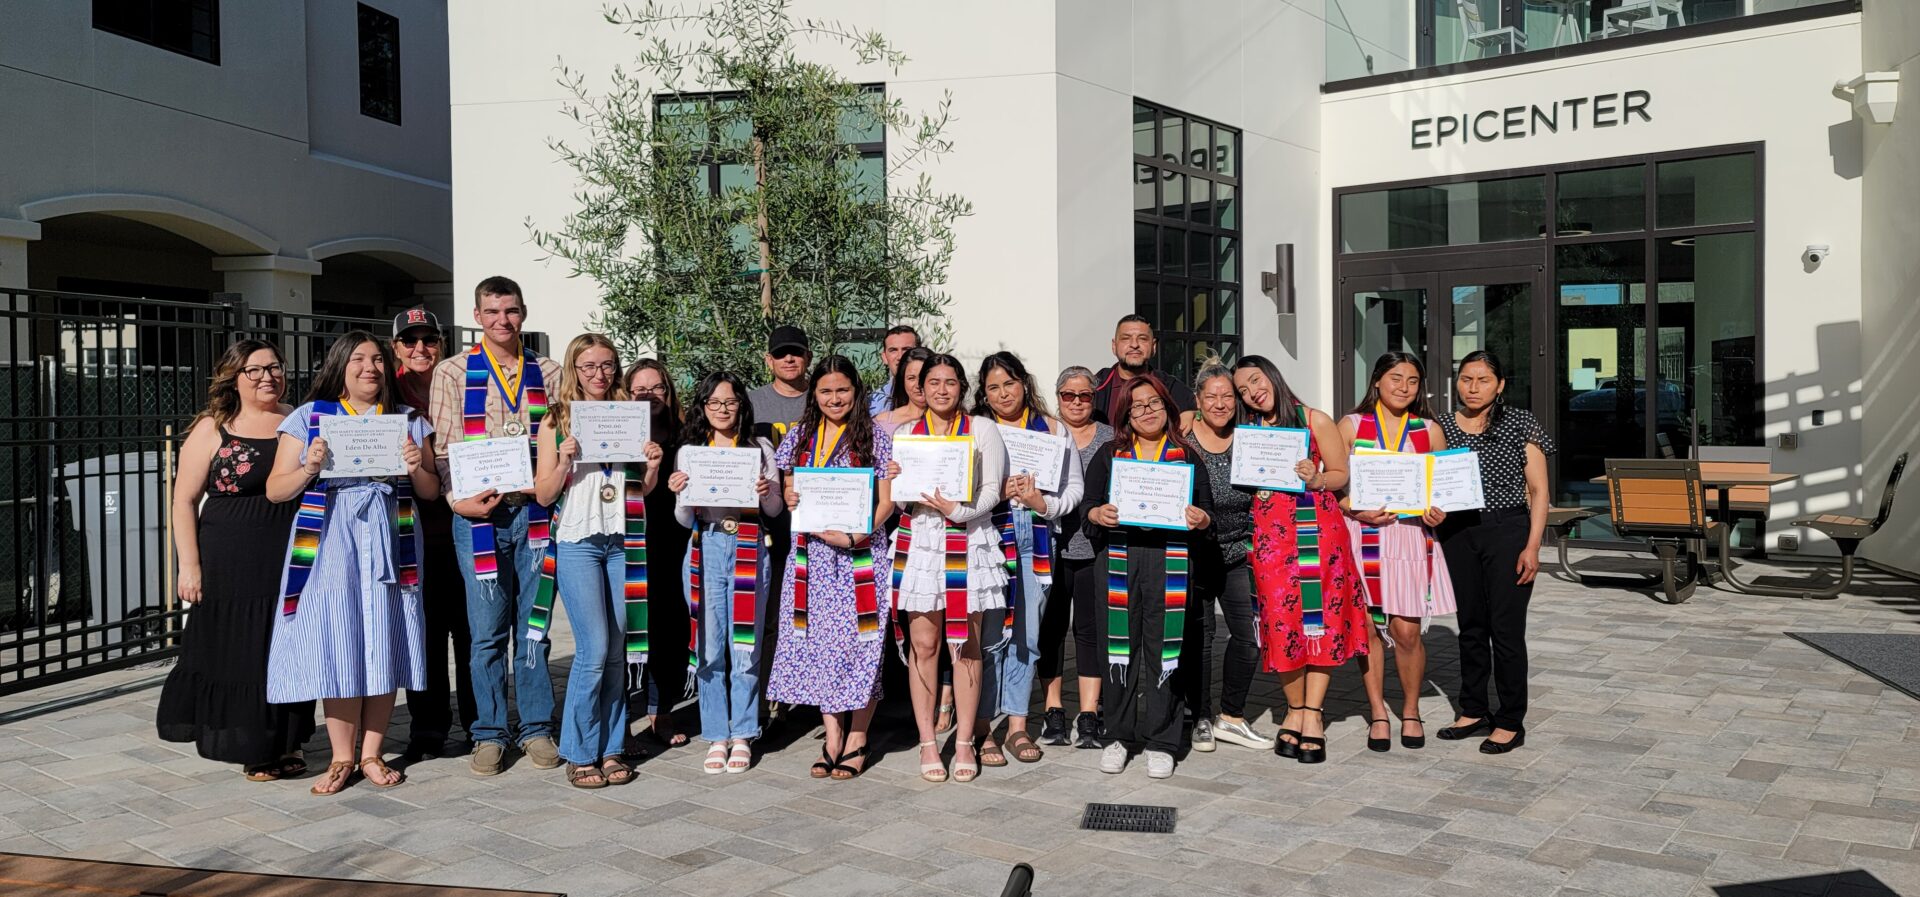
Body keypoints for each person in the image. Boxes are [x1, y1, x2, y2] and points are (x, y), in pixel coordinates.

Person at [265, 332, 440, 794]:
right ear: (340, 365)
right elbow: (276, 489)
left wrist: (415, 466)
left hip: (389, 534)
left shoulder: (405, 419)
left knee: (384, 634)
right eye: (359, 359)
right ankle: (342, 757)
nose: (370, 367)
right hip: (329, 539)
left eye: (378, 359)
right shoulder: (310, 418)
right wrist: (308, 466)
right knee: (337, 638)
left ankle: (372, 753)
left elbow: (429, 491)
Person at [156, 340, 315, 781]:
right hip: (229, 556)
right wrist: (189, 566)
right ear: (235, 377)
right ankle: (252, 747)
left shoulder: (298, 420)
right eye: (255, 370)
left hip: (289, 551)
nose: (268, 377)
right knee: (240, 651)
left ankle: (289, 742)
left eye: (275, 368)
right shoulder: (213, 427)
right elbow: (183, 500)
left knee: (286, 647)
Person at [428, 276, 563, 777]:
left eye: (511, 311)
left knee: (534, 629)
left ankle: (535, 728)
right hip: (479, 517)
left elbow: (559, 437)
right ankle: (488, 731)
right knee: (485, 634)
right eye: (492, 312)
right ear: (478, 316)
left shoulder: (547, 371)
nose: (502, 321)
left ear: (522, 313)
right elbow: (442, 448)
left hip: (533, 513)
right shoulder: (453, 371)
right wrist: (455, 501)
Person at [533, 335, 661, 788]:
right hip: (578, 541)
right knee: (593, 650)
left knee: (616, 652)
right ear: (574, 368)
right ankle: (578, 750)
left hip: (623, 540)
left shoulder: (629, 415)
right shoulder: (556, 419)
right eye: (588, 366)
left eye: (607, 365)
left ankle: (611, 747)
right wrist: (564, 461)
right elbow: (544, 494)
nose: (599, 374)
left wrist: (652, 467)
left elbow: (639, 491)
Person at [1232, 356, 1369, 764]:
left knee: (1319, 620)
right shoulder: (1249, 431)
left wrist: (1316, 478)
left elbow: (1341, 473)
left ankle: (1312, 714)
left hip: (1318, 533)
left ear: (1272, 375)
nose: (1252, 392)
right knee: (1280, 621)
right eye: (1243, 390)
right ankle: (1293, 707)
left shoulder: (1315, 419)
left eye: (1255, 380)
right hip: (1271, 539)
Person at [767, 355, 895, 780]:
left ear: (855, 392)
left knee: (861, 644)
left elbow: (887, 501)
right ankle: (832, 735)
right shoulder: (802, 435)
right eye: (825, 391)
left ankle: (858, 736)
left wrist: (857, 535)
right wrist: (790, 498)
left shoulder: (875, 437)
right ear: (814, 394)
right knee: (820, 645)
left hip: (861, 554)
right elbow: (789, 486)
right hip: (812, 558)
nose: (835, 398)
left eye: (842, 390)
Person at [1082, 374, 1215, 779]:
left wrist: (1201, 517)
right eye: (1137, 406)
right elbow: (1088, 505)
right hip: (1121, 559)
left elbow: (1207, 511)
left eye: (1154, 403)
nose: (1147, 411)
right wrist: (1096, 514)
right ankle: (1119, 736)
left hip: (1170, 562)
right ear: (1126, 414)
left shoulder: (1187, 456)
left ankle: (1162, 740)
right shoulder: (1110, 454)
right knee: (1118, 650)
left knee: (1166, 650)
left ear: (1167, 409)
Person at [890, 353, 1007, 782]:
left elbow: (994, 487)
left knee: (966, 644)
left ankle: (962, 743)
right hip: (920, 540)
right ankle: (926, 742)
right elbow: (898, 501)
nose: (942, 390)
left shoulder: (982, 429)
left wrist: (959, 510)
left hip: (967, 538)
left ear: (962, 387)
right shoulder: (906, 433)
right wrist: (896, 480)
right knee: (924, 645)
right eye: (932, 382)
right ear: (919, 388)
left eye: (950, 382)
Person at [1435, 350, 1552, 755]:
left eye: (1482, 379)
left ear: (1500, 384)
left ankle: (1509, 720)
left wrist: (1533, 546)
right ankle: (1472, 709)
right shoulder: (1442, 426)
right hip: (1458, 531)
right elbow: (1430, 480)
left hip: (1508, 529)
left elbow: (1539, 491)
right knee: (1470, 624)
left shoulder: (1521, 422)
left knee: (1505, 629)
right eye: (1466, 379)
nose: (1472, 387)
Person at [670, 371, 784, 773]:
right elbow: (684, 519)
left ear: (742, 405)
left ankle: (744, 733)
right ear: (703, 407)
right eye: (714, 403)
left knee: (745, 646)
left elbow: (775, 512)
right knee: (709, 646)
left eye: (730, 402)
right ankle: (716, 733)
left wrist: (767, 493)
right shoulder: (690, 452)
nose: (722, 410)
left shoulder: (759, 448)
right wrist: (680, 491)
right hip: (707, 548)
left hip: (751, 546)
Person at [1342, 351, 1455, 755]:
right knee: (1370, 629)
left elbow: (1443, 490)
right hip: (1365, 533)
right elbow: (1335, 486)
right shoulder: (1352, 426)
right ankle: (1377, 712)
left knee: (1406, 630)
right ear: (1376, 381)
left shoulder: (1429, 430)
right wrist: (1353, 507)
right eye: (1395, 378)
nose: (1403, 387)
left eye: (1411, 380)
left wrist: (1438, 510)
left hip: (1409, 536)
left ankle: (1410, 710)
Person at [972, 351, 1082, 765]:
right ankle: (983, 726)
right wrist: (998, 491)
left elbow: (1073, 488)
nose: (1003, 394)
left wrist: (1044, 503)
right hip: (988, 537)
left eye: (1010, 383)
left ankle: (1017, 725)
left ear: (1024, 383)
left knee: (1027, 636)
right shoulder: (977, 430)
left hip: (1035, 539)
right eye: (993, 387)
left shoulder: (1052, 429)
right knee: (988, 637)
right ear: (984, 393)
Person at [390, 308, 475, 758]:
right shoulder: (387, 396)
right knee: (423, 634)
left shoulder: (460, 388)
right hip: (411, 535)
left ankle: (481, 723)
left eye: (430, 340)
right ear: (396, 348)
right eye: (410, 341)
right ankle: (428, 727)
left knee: (471, 631)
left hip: (465, 525)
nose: (420, 348)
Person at [1181, 365, 1274, 753]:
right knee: (1200, 639)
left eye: (1227, 397)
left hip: (1239, 552)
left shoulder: (1252, 440)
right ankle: (1199, 716)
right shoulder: (1183, 441)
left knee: (1249, 636)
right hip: (1197, 555)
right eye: (1211, 397)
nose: (1220, 404)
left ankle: (1231, 716)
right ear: (1198, 402)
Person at [1035, 365, 1113, 750]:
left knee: (1089, 631)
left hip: (1094, 548)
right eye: (1069, 395)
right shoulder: (1043, 434)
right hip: (1048, 548)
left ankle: (1088, 713)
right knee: (1049, 631)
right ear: (1058, 396)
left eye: (1084, 395)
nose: (1077, 402)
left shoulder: (1111, 438)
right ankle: (1052, 711)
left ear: (1094, 397)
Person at [628, 359, 691, 749]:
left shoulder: (686, 437)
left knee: (670, 627)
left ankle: (661, 709)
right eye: (639, 390)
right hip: (630, 541)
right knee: (630, 627)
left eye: (657, 389)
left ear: (668, 394)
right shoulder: (616, 434)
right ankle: (621, 714)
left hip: (674, 541)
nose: (648, 396)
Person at [1091, 315, 1195, 429]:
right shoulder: (1095, 386)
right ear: (1114, 346)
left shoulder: (1170, 387)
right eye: (1126, 338)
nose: (1134, 345)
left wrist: (1192, 413)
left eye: (1143, 339)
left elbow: (1203, 409)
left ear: (1153, 346)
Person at [868, 324, 921, 417]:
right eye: (893, 350)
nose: (900, 357)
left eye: (906, 350)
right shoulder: (872, 403)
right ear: (884, 357)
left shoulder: (934, 395)